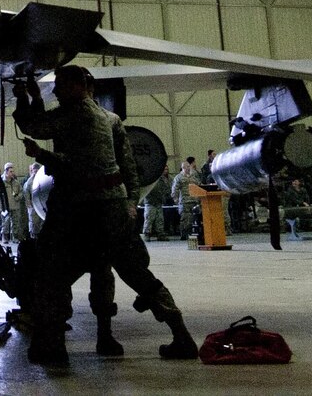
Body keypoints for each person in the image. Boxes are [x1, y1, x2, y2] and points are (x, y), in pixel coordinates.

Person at [13, 65, 198, 369]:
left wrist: (28, 99)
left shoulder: (71, 114)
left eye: (60, 85)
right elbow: (128, 166)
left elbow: (37, 129)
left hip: (77, 209)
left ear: (78, 85)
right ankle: (180, 335)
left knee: (53, 276)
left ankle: (54, 346)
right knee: (133, 273)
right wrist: (130, 202)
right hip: (113, 209)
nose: (55, 90)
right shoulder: (111, 119)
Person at [170, 156, 200, 239]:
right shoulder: (178, 177)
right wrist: (175, 199)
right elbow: (174, 189)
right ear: (183, 167)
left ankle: (193, 234)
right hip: (185, 202)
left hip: (194, 201)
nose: (188, 168)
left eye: (189, 166)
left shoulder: (193, 176)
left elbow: (198, 186)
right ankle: (184, 235)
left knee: (195, 219)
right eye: (187, 167)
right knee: (186, 220)